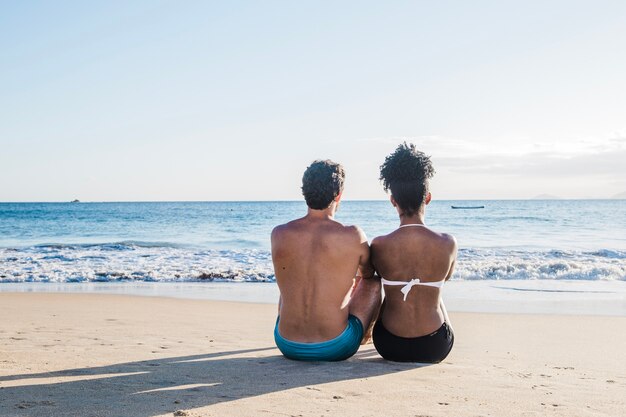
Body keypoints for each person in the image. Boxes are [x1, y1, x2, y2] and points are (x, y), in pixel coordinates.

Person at [271, 160, 381, 361]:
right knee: (373, 283)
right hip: (336, 346)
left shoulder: (279, 233)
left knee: (291, 278)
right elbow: (368, 274)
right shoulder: (353, 235)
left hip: (285, 342)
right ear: (338, 195)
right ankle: (364, 336)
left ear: (305, 193)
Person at [371, 143, 457, 363]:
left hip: (388, 345)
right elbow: (445, 278)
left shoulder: (379, 244)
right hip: (433, 347)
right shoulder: (447, 243)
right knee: (435, 286)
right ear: (427, 198)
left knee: (385, 285)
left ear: (393, 201)